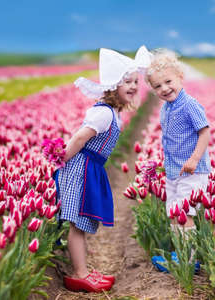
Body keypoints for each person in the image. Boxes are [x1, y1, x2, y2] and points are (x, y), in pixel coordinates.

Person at [53, 46, 151, 293]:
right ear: (112, 86)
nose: (133, 86)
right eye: (126, 81)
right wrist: (61, 160)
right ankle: (80, 274)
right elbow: (79, 139)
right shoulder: (102, 114)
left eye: (135, 82)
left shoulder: (113, 113)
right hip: (80, 167)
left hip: (91, 167)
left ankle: (83, 270)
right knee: (77, 222)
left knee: (81, 222)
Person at [145, 49, 211, 271]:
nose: (164, 88)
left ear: (180, 77)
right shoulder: (166, 108)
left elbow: (204, 132)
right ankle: (179, 254)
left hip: (192, 170)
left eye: (168, 81)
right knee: (174, 213)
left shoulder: (189, 104)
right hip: (174, 171)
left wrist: (194, 158)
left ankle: (189, 260)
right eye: (157, 86)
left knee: (185, 213)